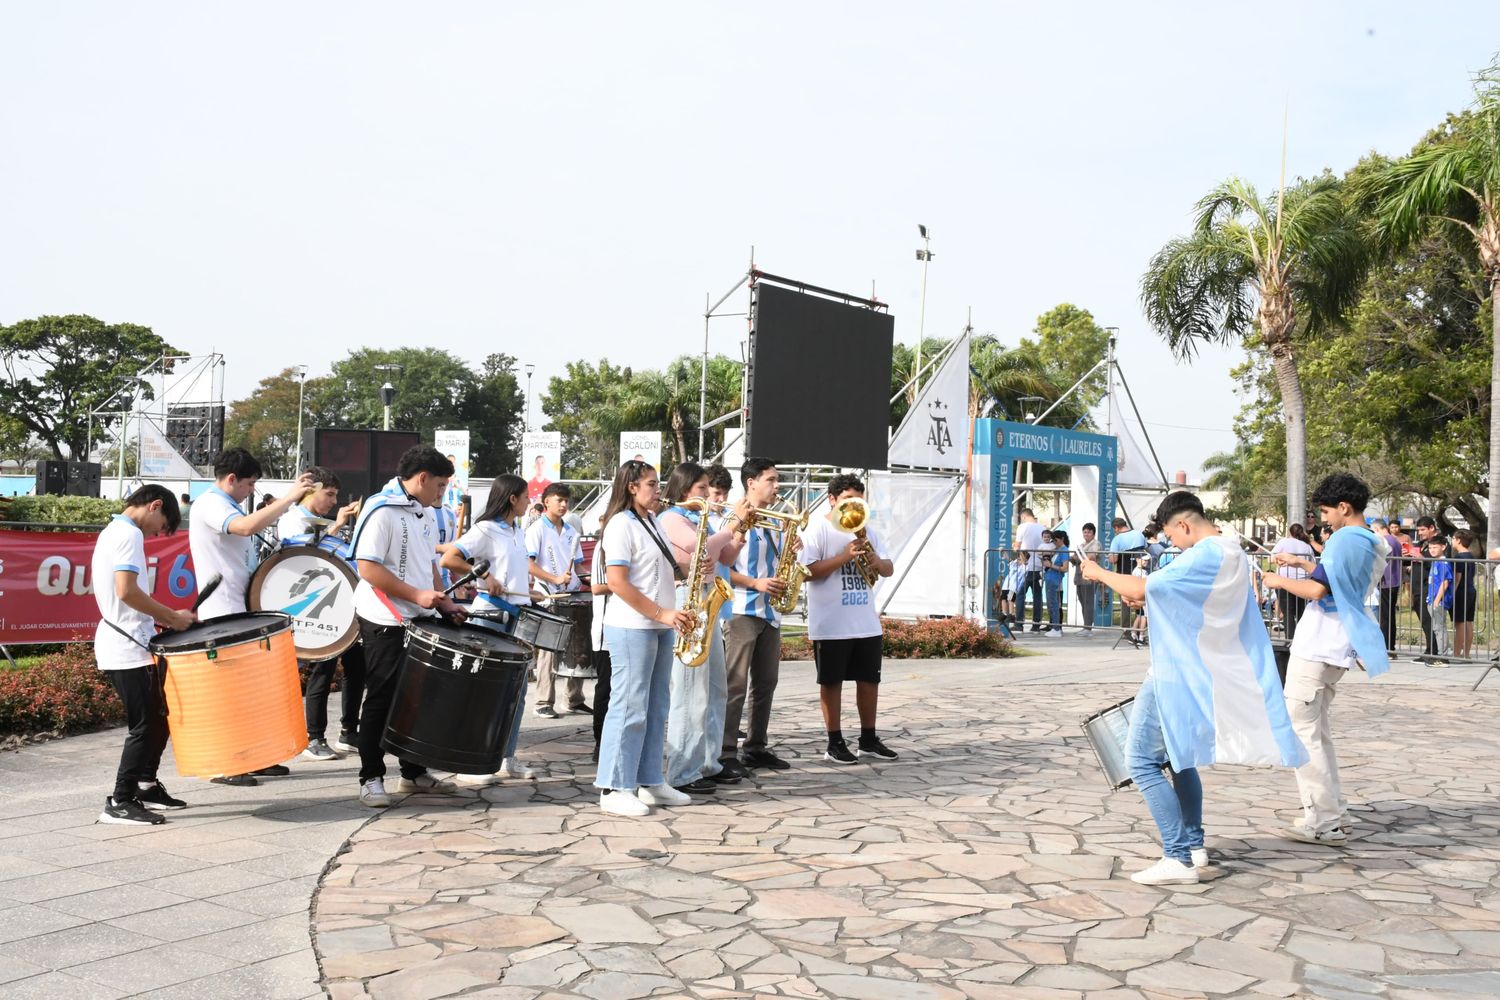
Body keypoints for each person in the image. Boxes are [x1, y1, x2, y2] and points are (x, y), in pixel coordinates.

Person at [1081, 491, 1307, 885]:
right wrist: (1149, 599)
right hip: (1197, 670)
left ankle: (1177, 856)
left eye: (1172, 536)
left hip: (1176, 672)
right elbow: (1178, 599)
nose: (1173, 544)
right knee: (1180, 758)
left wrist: (1098, 573)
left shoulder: (1205, 553)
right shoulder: (1233, 551)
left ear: (1183, 525)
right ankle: (1194, 846)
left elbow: (1140, 588)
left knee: (1141, 763)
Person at [1262, 473, 1391, 846]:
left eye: (1325, 512)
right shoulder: (1369, 540)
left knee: (1304, 734)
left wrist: (1277, 580)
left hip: (1319, 645)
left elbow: (1319, 590)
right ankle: (1334, 811)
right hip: (1339, 645)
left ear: (1343, 507)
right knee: (1318, 733)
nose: (1323, 520)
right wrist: (1303, 566)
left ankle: (1323, 820)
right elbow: (1335, 580)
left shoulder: (1343, 540)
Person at [348, 446, 466, 808]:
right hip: (385, 618)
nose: (442, 493)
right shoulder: (381, 510)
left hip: (419, 613)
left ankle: (413, 773)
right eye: (441, 486)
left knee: (419, 699)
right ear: (422, 478)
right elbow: (367, 567)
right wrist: (416, 594)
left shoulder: (425, 512)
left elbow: (429, 563)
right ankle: (370, 777)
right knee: (382, 699)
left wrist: (443, 601)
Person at [189, 448, 315, 786]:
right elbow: (245, 528)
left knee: (248, 689)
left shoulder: (226, 503)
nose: (251, 491)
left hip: (239, 608)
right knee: (229, 690)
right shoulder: (211, 504)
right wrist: (289, 498)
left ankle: (252, 757)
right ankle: (227, 763)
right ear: (231, 480)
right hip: (222, 610)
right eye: (249, 484)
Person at [595, 460, 695, 817]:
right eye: (652, 484)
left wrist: (693, 568)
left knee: (656, 706)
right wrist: (661, 613)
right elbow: (618, 582)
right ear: (632, 487)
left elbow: (665, 568)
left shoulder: (652, 521)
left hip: (658, 626)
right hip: (632, 626)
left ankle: (650, 780)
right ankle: (613, 785)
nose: (659, 489)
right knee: (629, 706)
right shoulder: (620, 524)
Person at [92, 486, 195, 826]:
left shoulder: (115, 531)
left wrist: (165, 618)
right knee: (145, 725)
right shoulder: (129, 535)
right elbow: (127, 591)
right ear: (154, 505)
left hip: (129, 642)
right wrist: (171, 617)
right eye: (161, 525)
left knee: (159, 717)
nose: (157, 533)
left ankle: (146, 785)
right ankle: (120, 801)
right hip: (125, 647)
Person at [658, 463, 750, 793]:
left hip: (707, 598)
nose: (708, 494)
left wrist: (739, 532)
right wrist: (734, 521)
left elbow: (725, 555)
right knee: (690, 689)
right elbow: (702, 548)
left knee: (714, 689)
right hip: (688, 599)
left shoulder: (701, 519)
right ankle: (683, 771)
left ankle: (708, 763)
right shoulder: (672, 518)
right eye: (702, 488)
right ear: (685, 491)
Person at [442, 474, 539, 786]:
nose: (529, 501)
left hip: (518, 614)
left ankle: (506, 757)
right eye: (526, 497)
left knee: (518, 691)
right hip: (490, 616)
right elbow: (449, 558)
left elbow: (515, 572)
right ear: (512, 498)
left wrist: (527, 590)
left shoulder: (518, 531)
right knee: (483, 690)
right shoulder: (485, 529)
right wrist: (483, 578)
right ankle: (470, 760)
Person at [800, 473, 898, 765]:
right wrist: (844, 556)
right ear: (832, 499)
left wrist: (877, 562)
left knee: (869, 681)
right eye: (846, 500)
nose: (852, 506)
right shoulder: (817, 528)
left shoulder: (865, 529)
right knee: (831, 683)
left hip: (864, 620)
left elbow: (888, 567)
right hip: (830, 623)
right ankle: (835, 742)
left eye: (857, 500)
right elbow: (808, 571)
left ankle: (868, 739)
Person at [276, 469, 364, 761]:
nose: (334, 501)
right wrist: (335, 526)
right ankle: (314, 738)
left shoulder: (322, 521)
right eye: (329, 494)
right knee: (322, 671)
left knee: (356, 667)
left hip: (338, 602)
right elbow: (300, 553)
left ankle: (350, 731)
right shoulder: (291, 519)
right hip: (311, 607)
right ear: (311, 491)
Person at [723, 458, 791, 773]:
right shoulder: (730, 517)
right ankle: (725, 752)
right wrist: (755, 583)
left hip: (770, 612)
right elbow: (721, 568)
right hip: (741, 610)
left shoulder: (776, 519)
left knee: (766, 682)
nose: (777, 486)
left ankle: (756, 747)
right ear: (751, 482)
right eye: (771, 480)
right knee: (734, 685)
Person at [527, 483, 589, 718]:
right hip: (548, 595)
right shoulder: (536, 530)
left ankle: (574, 698)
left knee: (579, 648)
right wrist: (554, 578)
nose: (564, 505)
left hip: (572, 594)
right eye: (559, 500)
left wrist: (589, 578)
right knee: (548, 651)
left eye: (566, 501)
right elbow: (529, 564)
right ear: (546, 501)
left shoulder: (572, 531)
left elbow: (579, 565)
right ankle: (543, 700)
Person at [1270, 523, 1316, 643]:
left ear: (1290, 532)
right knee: (1301, 612)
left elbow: (1271, 558)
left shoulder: (1284, 542)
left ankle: (1290, 639)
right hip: (1302, 582)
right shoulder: (1307, 546)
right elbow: (1312, 562)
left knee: (1288, 613)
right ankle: (1303, 639)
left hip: (1284, 581)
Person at [1370, 518, 1404, 656]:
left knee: (1385, 617)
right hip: (1393, 580)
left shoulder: (1385, 541)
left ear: (1377, 529)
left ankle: (1386, 647)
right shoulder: (1395, 540)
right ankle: (1390, 647)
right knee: (1389, 616)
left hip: (1386, 581)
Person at [1015, 508, 1046, 633]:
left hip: (1027, 566)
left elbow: (1017, 546)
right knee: (1037, 596)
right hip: (1040, 566)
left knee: (1020, 594)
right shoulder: (1042, 527)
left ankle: (1019, 623)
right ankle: (1036, 624)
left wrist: (1019, 555)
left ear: (1023, 517)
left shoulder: (1022, 527)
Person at [1411, 516, 1439, 654]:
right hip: (1417, 587)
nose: (1420, 533)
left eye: (1422, 530)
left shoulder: (1440, 543)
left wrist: (1423, 559)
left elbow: (1439, 562)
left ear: (1432, 528)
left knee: (1429, 620)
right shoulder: (1421, 544)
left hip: (1429, 587)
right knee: (1424, 620)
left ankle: (1433, 651)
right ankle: (1429, 649)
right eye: (1418, 530)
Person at [1425, 536, 1453, 660]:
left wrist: (1437, 600)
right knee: (1437, 628)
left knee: (1439, 628)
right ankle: (1442, 654)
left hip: (1438, 601)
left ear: (1443, 547)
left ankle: (1443, 656)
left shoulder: (1443, 562)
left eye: (1435, 547)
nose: (1432, 550)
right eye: (1430, 547)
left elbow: (1445, 582)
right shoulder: (1435, 561)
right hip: (1432, 599)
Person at [1451, 529, 1478, 659]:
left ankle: (1456, 654)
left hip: (1462, 592)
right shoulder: (1471, 555)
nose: (1452, 541)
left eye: (1453, 538)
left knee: (1460, 624)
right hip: (1471, 590)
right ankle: (1466, 654)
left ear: (1458, 540)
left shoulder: (1459, 557)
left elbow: (1457, 578)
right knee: (1468, 623)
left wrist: (1452, 594)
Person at [1072, 523, 1100, 633]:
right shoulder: (1081, 545)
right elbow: (1075, 558)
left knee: (1088, 602)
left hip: (1090, 577)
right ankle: (1085, 626)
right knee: (1083, 602)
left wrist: (1078, 558)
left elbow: (1092, 556)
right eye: (1085, 532)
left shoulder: (1096, 544)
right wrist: (1075, 558)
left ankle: (1088, 627)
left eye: (1089, 532)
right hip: (1080, 577)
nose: (1086, 534)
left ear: (1093, 533)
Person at [1043, 529, 1069, 637]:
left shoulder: (1064, 550)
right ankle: (1054, 627)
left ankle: (1056, 628)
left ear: (1061, 539)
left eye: (1055, 540)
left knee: (1054, 604)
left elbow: (1065, 568)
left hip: (1055, 580)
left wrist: (1051, 565)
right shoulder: (1057, 550)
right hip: (1050, 579)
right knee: (1051, 604)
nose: (1054, 542)